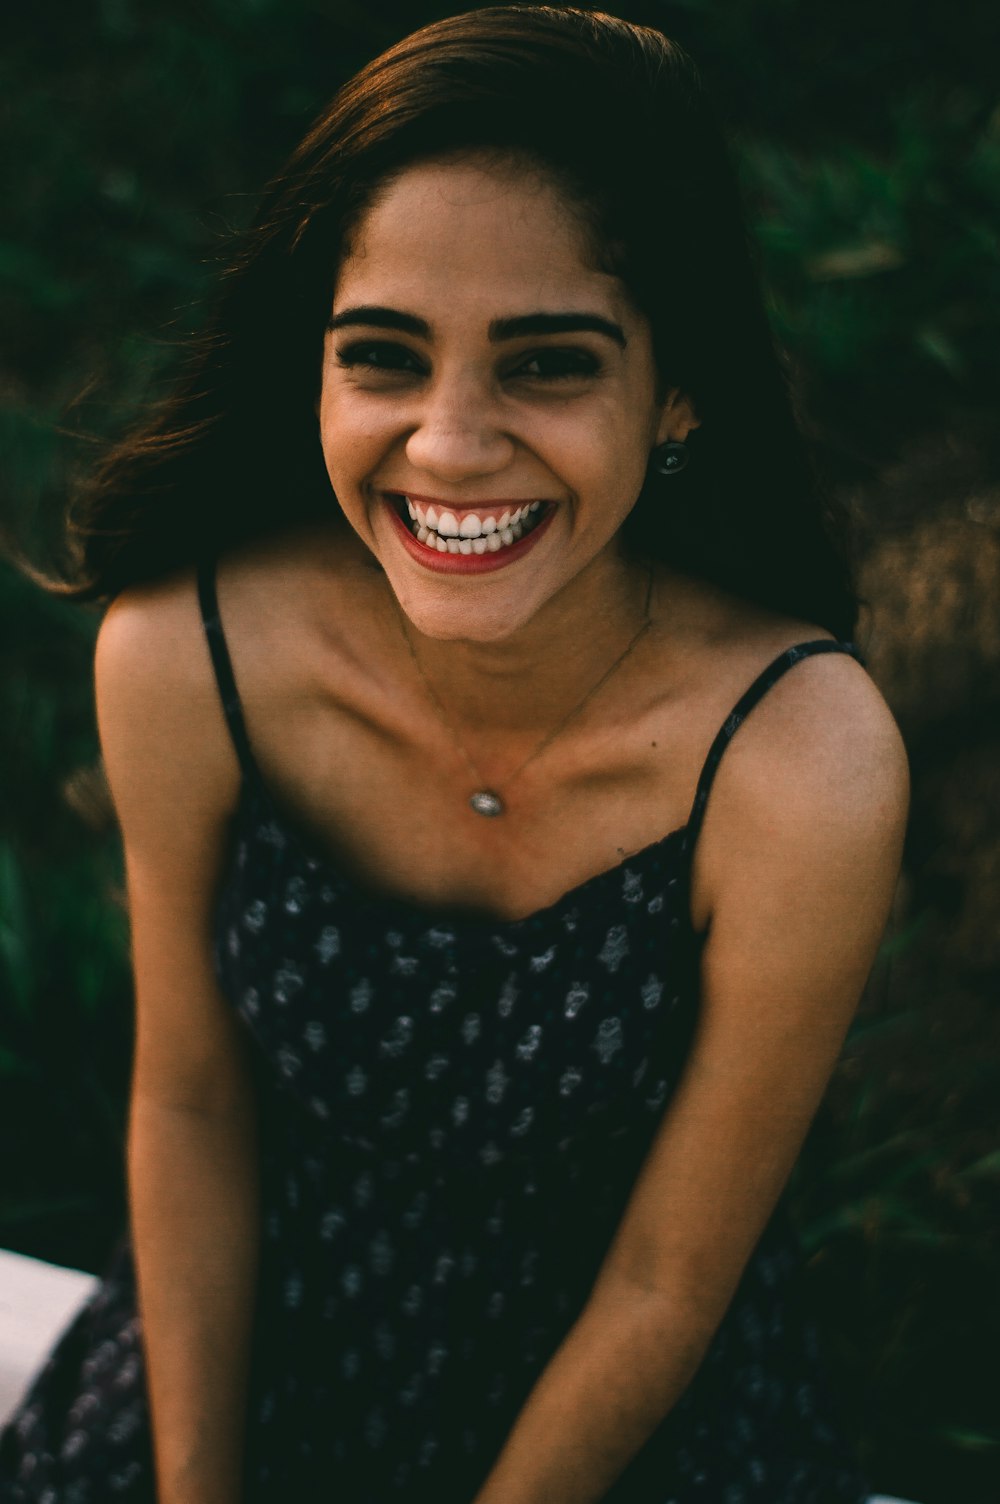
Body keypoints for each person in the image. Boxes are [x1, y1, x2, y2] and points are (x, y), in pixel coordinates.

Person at [0, 7, 909, 1502]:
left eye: (547, 365)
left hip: (614, 1436)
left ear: (676, 391)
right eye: (386, 357)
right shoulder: (189, 650)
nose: (447, 444)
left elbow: (669, 1282)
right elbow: (191, 1105)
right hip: (236, 1371)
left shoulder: (798, 763)